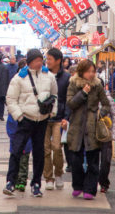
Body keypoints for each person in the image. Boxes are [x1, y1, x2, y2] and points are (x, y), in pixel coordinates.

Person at [4, 48, 58, 198]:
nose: (39, 63)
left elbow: (54, 95)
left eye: (41, 60)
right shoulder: (19, 78)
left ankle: (36, 184)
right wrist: (19, 116)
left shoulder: (49, 76)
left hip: (42, 120)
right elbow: (11, 99)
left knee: (39, 153)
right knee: (16, 150)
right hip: (25, 119)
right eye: (36, 60)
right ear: (29, 62)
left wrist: (52, 112)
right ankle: (10, 182)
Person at [67, 59, 110, 201]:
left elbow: (106, 104)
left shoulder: (97, 85)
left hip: (92, 128)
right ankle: (78, 186)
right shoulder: (73, 83)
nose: (91, 74)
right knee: (75, 160)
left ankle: (90, 189)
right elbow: (71, 103)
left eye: (93, 71)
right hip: (77, 126)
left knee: (92, 161)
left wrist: (100, 114)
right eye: (88, 71)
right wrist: (83, 93)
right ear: (81, 71)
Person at [44, 47, 70, 190]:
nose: (47, 62)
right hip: (44, 117)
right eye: (46, 59)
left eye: (49, 59)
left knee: (56, 147)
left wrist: (66, 117)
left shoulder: (66, 78)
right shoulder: (43, 75)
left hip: (59, 118)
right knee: (45, 149)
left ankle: (58, 173)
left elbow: (68, 99)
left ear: (58, 61)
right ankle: (48, 177)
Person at [98, 88, 115, 194]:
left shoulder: (108, 99)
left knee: (106, 160)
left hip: (106, 134)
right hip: (93, 134)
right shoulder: (90, 97)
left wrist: (114, 134)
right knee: (93, 161)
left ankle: (104, 182)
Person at [6, 113, 32, 192]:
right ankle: (14, 180)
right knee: (16, 159)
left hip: (26, 141)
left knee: (24, 161)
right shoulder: (13, 112)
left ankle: (22, 181)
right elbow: (10, 126)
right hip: (16, 141)